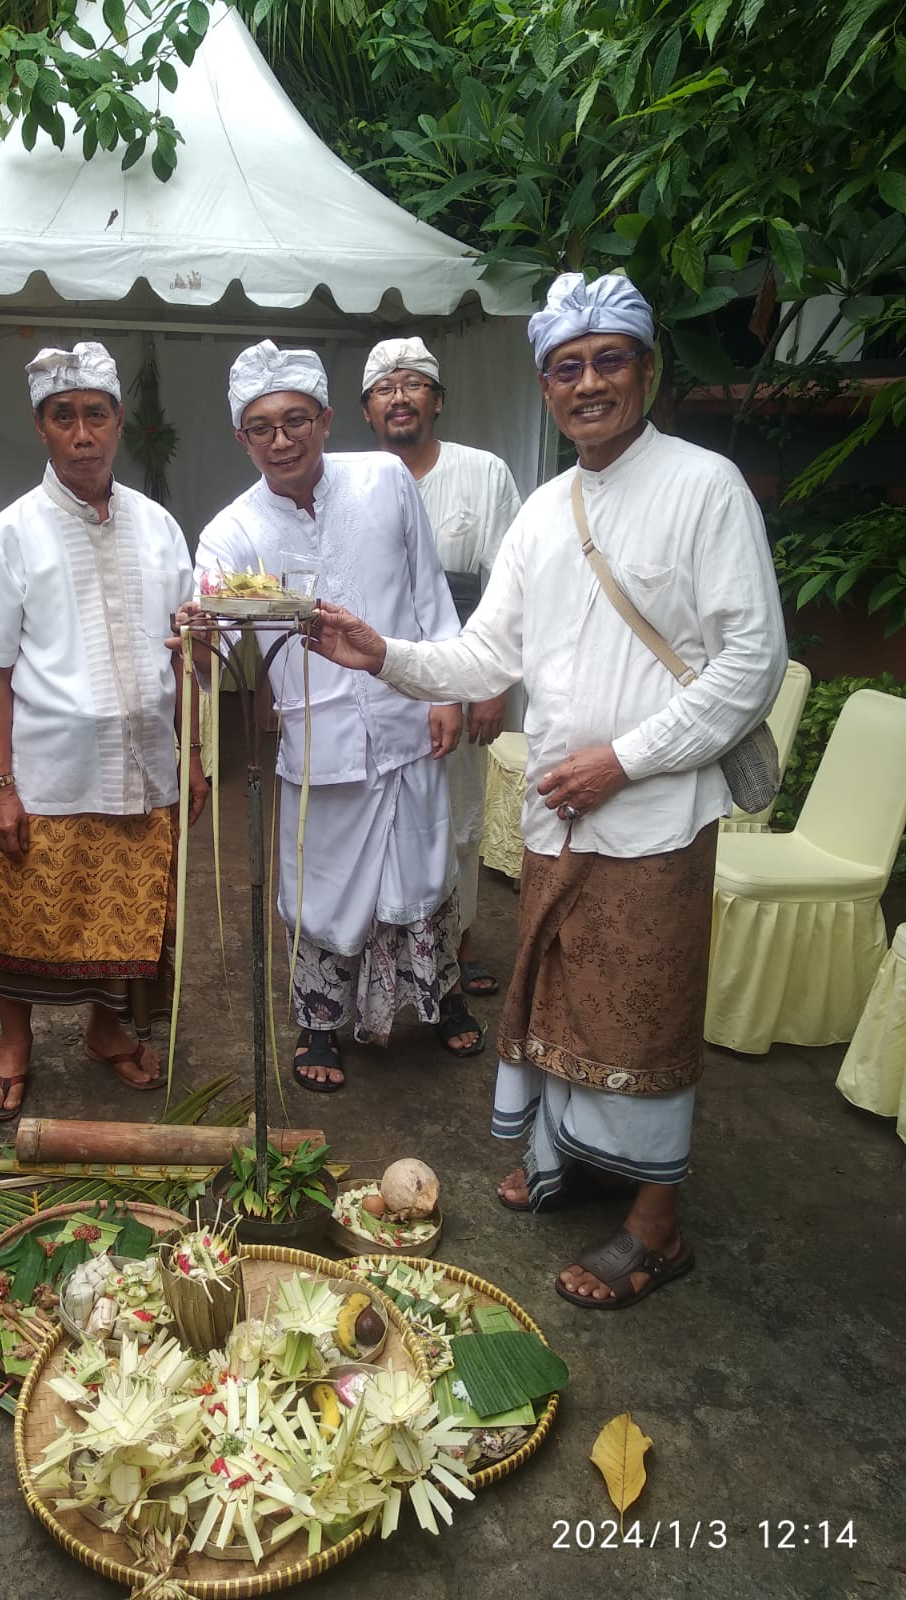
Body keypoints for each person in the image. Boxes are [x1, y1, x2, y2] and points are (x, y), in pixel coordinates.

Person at [311, 274, 787, 1307]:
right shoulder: (543, 508)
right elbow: (488, 652)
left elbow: (752, 662)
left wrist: (625, 758)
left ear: (647, 369)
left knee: (642, 1012)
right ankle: (570, 1160)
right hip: (557, 817)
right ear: (544, 387)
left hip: (652, 813)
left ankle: (658, 1227)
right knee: (562, 998)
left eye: (609, 359)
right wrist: (380, 651)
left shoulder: (707, 487)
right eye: (567, 368)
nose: (589, 383)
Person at [184, 338, 485, 1094]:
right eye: (261, 427)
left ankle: (439, 996)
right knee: (323, 882)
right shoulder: (232, 531)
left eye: (295, 420)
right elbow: (214, 625)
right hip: (320, 743)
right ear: (241, 437)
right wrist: (197, 630)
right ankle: (318, 1019)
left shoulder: (383, 479)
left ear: (324, 419)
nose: (281, 440)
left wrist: (447, 690)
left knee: (425, 867)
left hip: (408, 716)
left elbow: (428, 594)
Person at [0, 341, 208, 1121]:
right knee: (31, 919)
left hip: (147, 770)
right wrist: (0, 787)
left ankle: (106, 1030)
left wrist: (193, 756)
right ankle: (14, 1046)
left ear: (119, 421)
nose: (83, 432)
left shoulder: (160, 527)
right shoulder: (10, 535)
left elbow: (189, 653)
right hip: (53, 776)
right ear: (42, 428)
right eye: (65, 417)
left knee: (134, 920)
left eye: (97, 414)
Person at [361, 336, 523, 998]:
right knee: (376, 816)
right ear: (368, 411)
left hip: (462, 669)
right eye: (384, 389)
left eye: (413, 384)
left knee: (457, 815)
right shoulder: (352, 478)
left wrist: (491, 685)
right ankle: (377, 947)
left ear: (438, 400)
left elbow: (511, 589)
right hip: (374, 674)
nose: (399, 397)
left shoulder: (484, 473)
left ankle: (455, 944)